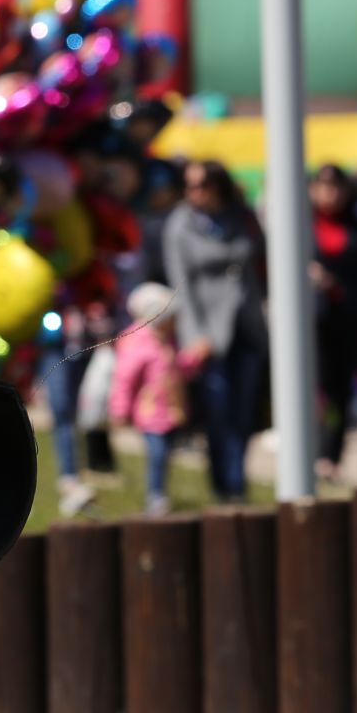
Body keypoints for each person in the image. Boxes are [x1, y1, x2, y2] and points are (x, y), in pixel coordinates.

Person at [162, 159, 265, 504]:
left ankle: (238, 482)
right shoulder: (180, 225)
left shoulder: (241, 218)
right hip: (208, 333)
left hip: (246, 325)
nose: (194, 193)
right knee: (218, 414)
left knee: (244, 411)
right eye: (188, 186)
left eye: (201, 185)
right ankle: (226, 485)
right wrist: (195, 336)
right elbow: (181, 285)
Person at [309, 165, 357, 482]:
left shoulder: (356, 227)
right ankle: (313, 451)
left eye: (335, 187)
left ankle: (331, 456)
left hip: (345, 321)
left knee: (339, 394)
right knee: (315, 391)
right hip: (311, 324)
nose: (329, 194)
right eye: (323, 186)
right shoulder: (301, 225)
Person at [107, 281, 185, 517]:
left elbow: (176, 368)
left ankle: (159, 492)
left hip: (169, 411)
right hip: (150, 413)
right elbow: (124, 379)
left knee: (164, 455)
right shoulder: (138, 344)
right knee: (158, 454)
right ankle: (156, 495)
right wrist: (119, 410)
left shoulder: (166, 342)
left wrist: (193, 359)